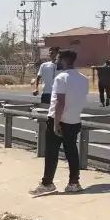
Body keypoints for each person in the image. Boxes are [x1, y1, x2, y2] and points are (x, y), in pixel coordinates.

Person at [31, 50, 88, 195]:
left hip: (59, 120)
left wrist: (56, 124)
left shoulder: (61, 78)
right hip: (74, 120)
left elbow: (60, 103)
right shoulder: (83, 79)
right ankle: (74, 183)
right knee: (72, 152)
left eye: (57, 58)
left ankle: (47, 183)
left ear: (63, 59)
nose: (55, 61)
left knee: (51, 153)